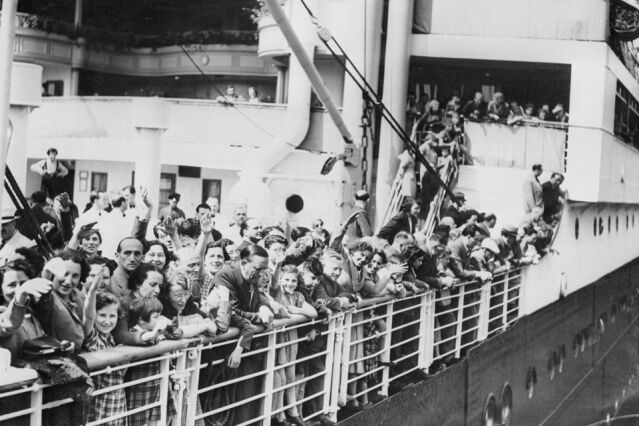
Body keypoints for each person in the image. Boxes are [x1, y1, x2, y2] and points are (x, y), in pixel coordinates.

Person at [271, 265, 317, 426]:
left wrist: (296, 310)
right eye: (286, 279)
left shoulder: (298, 295)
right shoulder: (277, 293)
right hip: (278, 337)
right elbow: (274, 285)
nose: (290, 283)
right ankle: (280, 414)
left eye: (294, 281)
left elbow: (313, 313)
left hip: (292, 336)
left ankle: (292, 411)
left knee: (291, 375)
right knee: (281, 376)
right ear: (280, 279)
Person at [82, 278, 127, 426]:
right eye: (102, 315)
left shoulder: (112, 339)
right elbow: (88, 318)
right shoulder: (93, 338)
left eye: (112, 316)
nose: (107, 321)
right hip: (99, 406)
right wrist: (92, 292)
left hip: (117, 404)